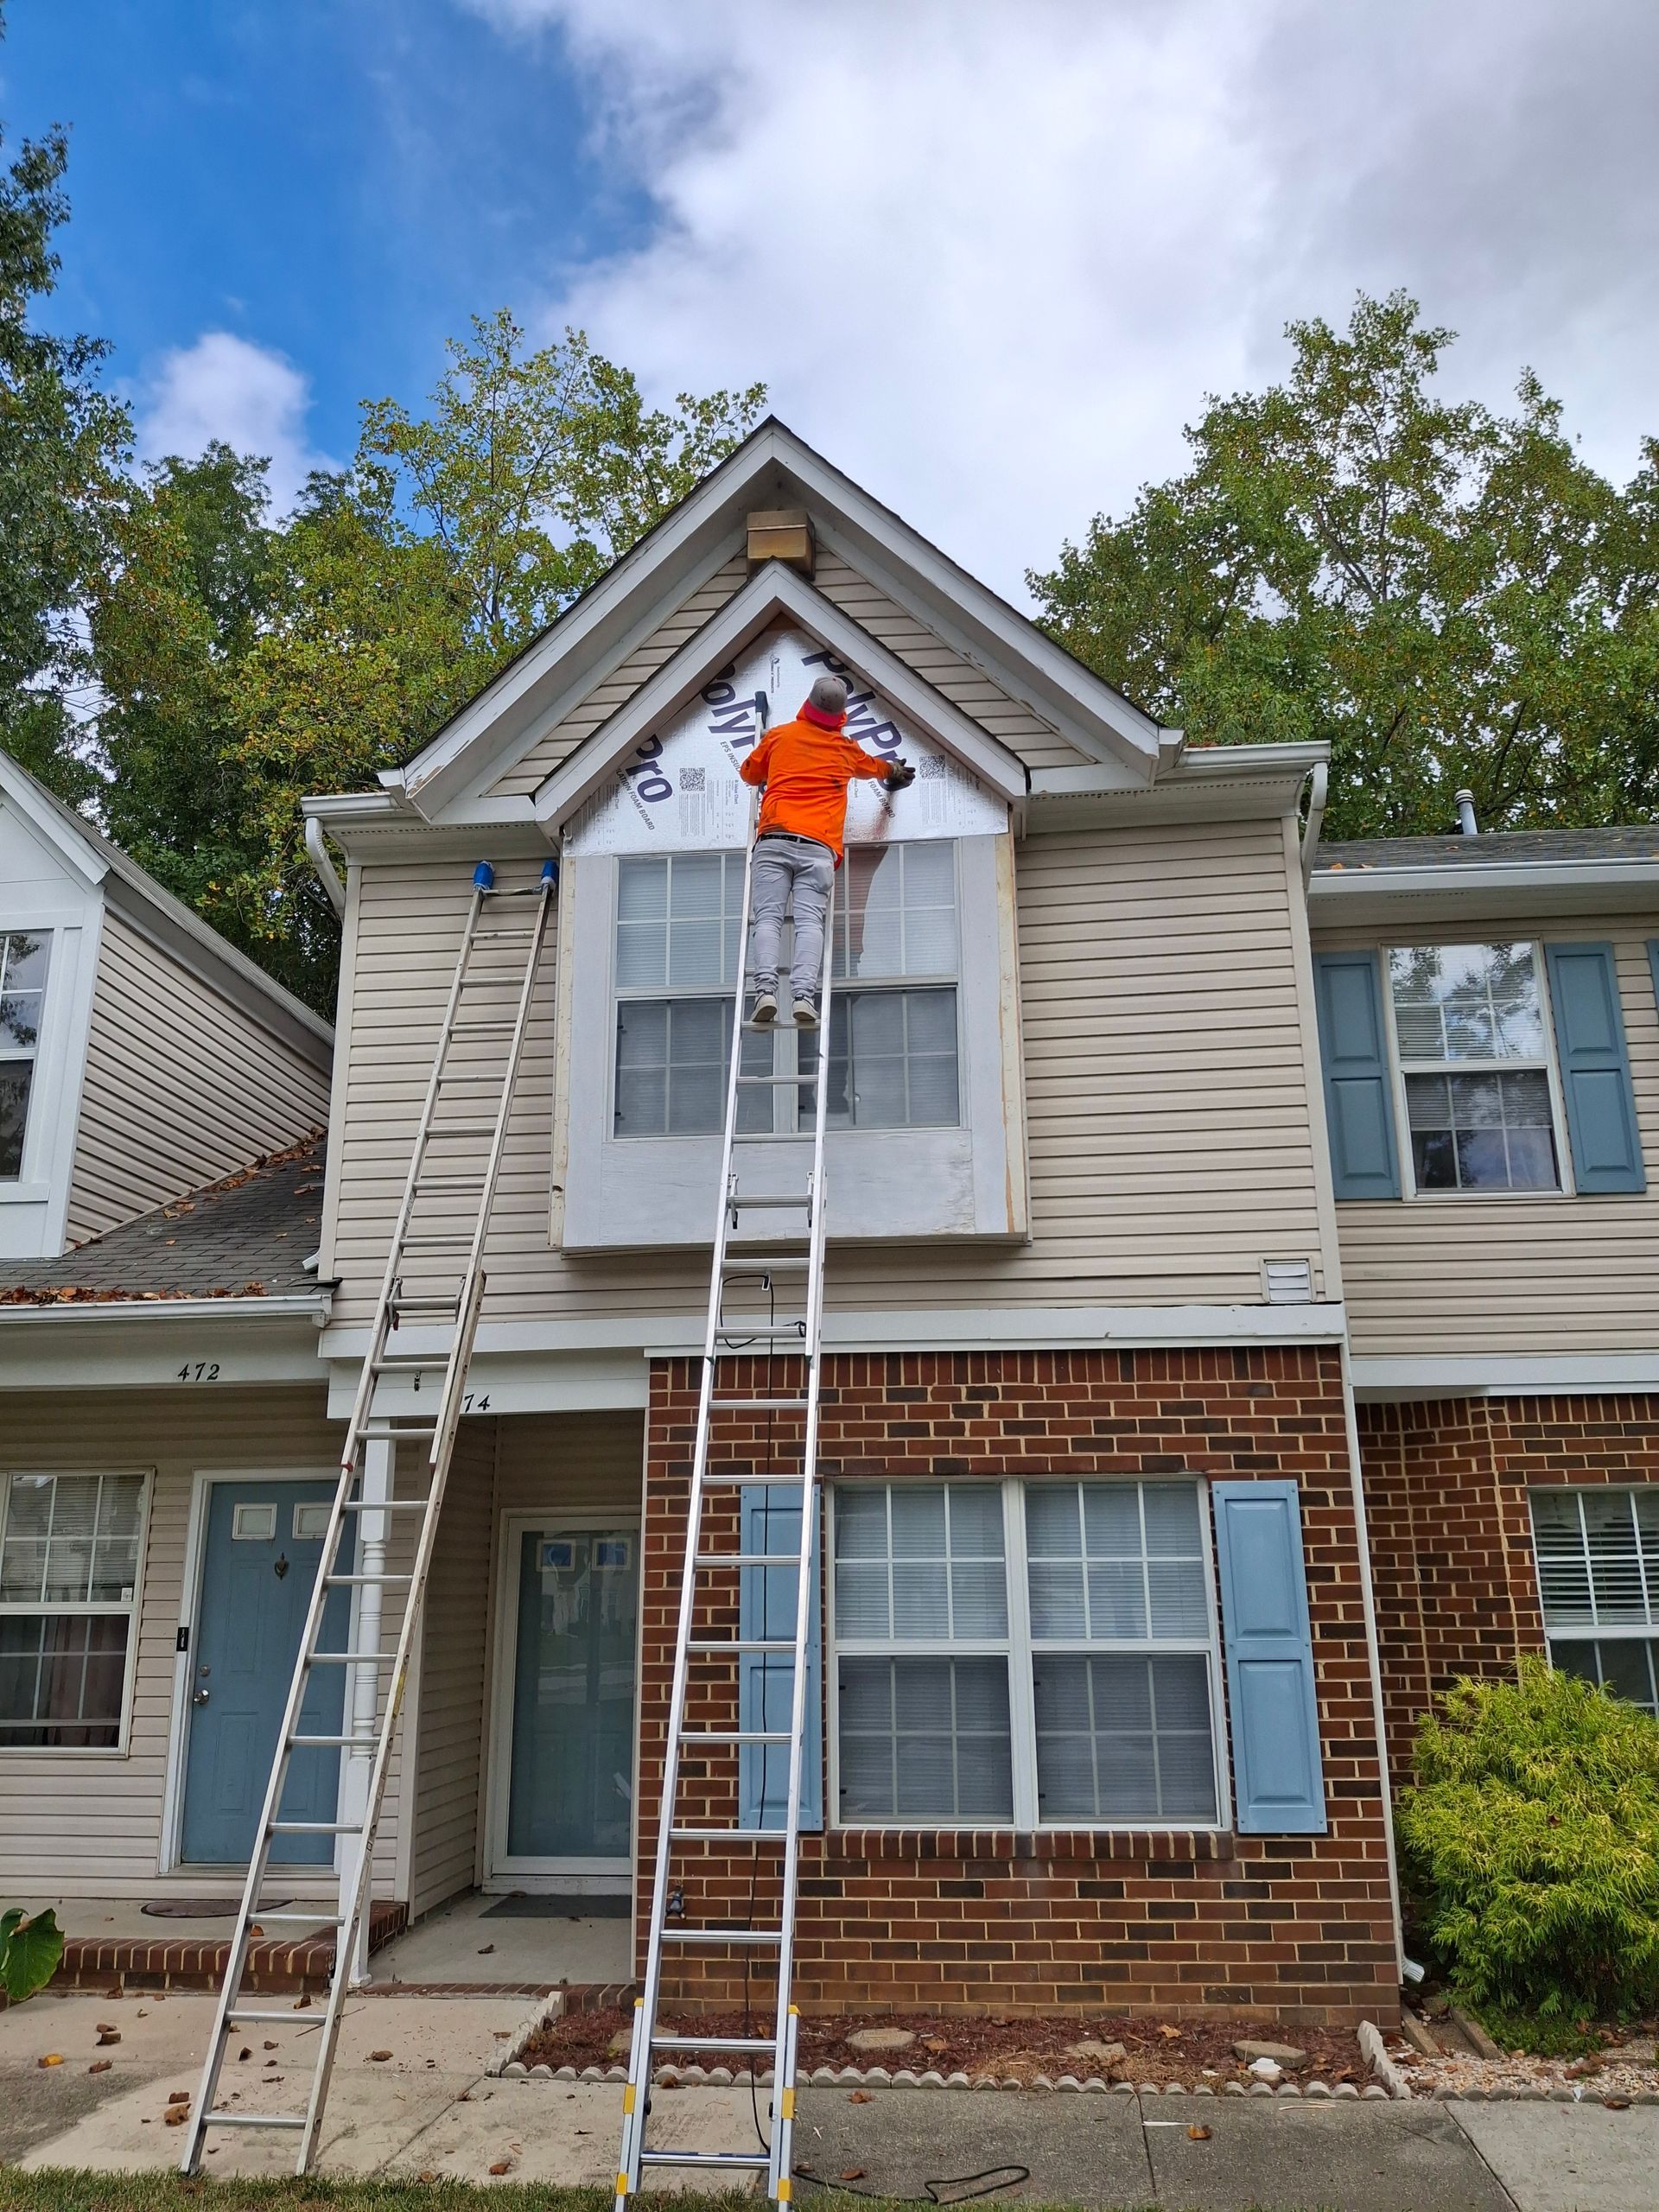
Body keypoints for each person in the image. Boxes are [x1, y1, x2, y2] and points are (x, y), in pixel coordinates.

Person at [738, 674, 916, 1027]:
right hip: (817, 849)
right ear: (840, 716)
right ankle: (803, 995)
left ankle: (766, 992)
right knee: (809, 922)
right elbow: (879, 768)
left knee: (769, 918)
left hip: (775, 840)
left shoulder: (779, 737)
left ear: (808, 704)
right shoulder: (844, 750)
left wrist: (772, 768)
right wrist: (896, 771)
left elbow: (748, 773)